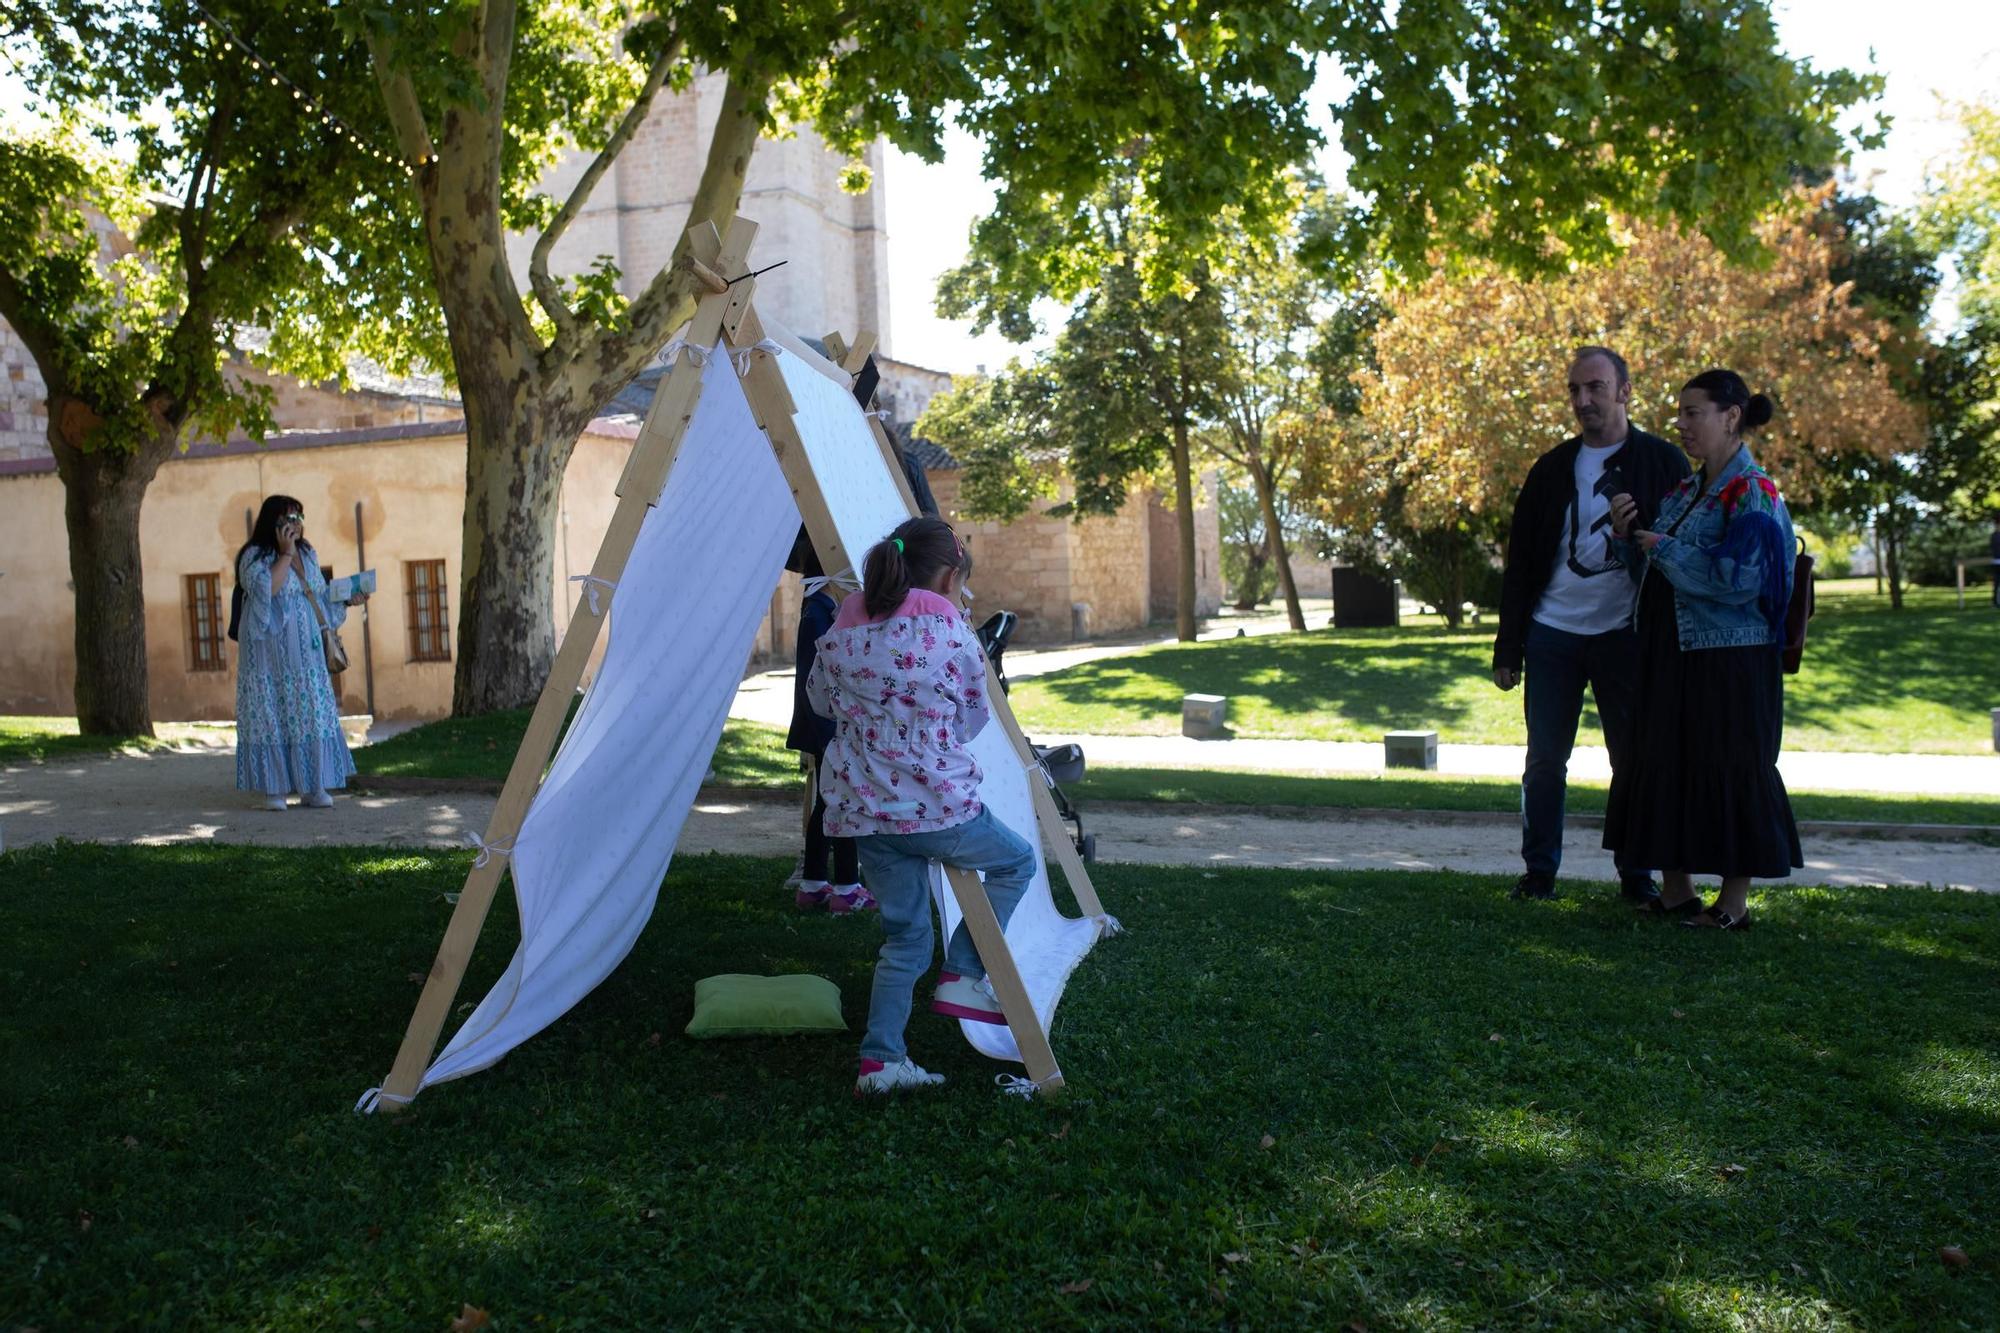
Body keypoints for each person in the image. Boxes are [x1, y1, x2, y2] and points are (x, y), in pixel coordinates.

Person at [804, 515, 1035, 1095]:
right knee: (1017, 862)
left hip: (864, 817)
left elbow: (821, 704)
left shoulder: (839, 633)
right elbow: (973, 718)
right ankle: (962, 975)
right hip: (939, 811)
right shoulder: (951, 634)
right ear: (952, 576)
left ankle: (881, 1061)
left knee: (904, 941)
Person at [1604, 370, 1803, 929]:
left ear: (1730, 416)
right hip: (1673, 655)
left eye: (1694, 412)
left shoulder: (1754, 492)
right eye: (1680, 413)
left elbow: (1740, 580)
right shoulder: (1686, 492)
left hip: (1729, 662)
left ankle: (1732, 905)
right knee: (1666, 763)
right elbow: (1655, 572)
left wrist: (1662, 547)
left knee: (1729, 765)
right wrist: (1628, 542)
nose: (1681, 424)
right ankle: (1677, 892)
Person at [1492, 347, 1690, 903]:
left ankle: (1637, 876)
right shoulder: (1552, 468)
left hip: (1625, 636)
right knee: (1545, 761)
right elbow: (1522, 564)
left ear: (1625, 391)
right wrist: (1509, 647)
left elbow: (1681, 550)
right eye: (1575, 389)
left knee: (1632, 759)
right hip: (1553, 632)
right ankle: (1539, 874)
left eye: (1595, 388)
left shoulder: (1664, 462)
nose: (1583, 400)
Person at [233, 496, 368, 810]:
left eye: (297, 517)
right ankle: (275, 791)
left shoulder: (308, 553)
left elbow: (319, 594)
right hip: (267, 655)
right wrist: (285, 554)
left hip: (305, 653)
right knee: (271, 714)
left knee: (309, 711)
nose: (293, 524)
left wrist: (347, 598)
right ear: (272, 523)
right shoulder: (253, 556)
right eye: (286, 518)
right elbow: (269, 588)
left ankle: (314, 785)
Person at [786, 568, 873, 913]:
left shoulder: (818, 609)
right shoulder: (820, 613)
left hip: (824, 724)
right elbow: (821, 673)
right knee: (846, 801)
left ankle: (814, 882)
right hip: (829, 725)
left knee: (826, 802)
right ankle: (847, 886)